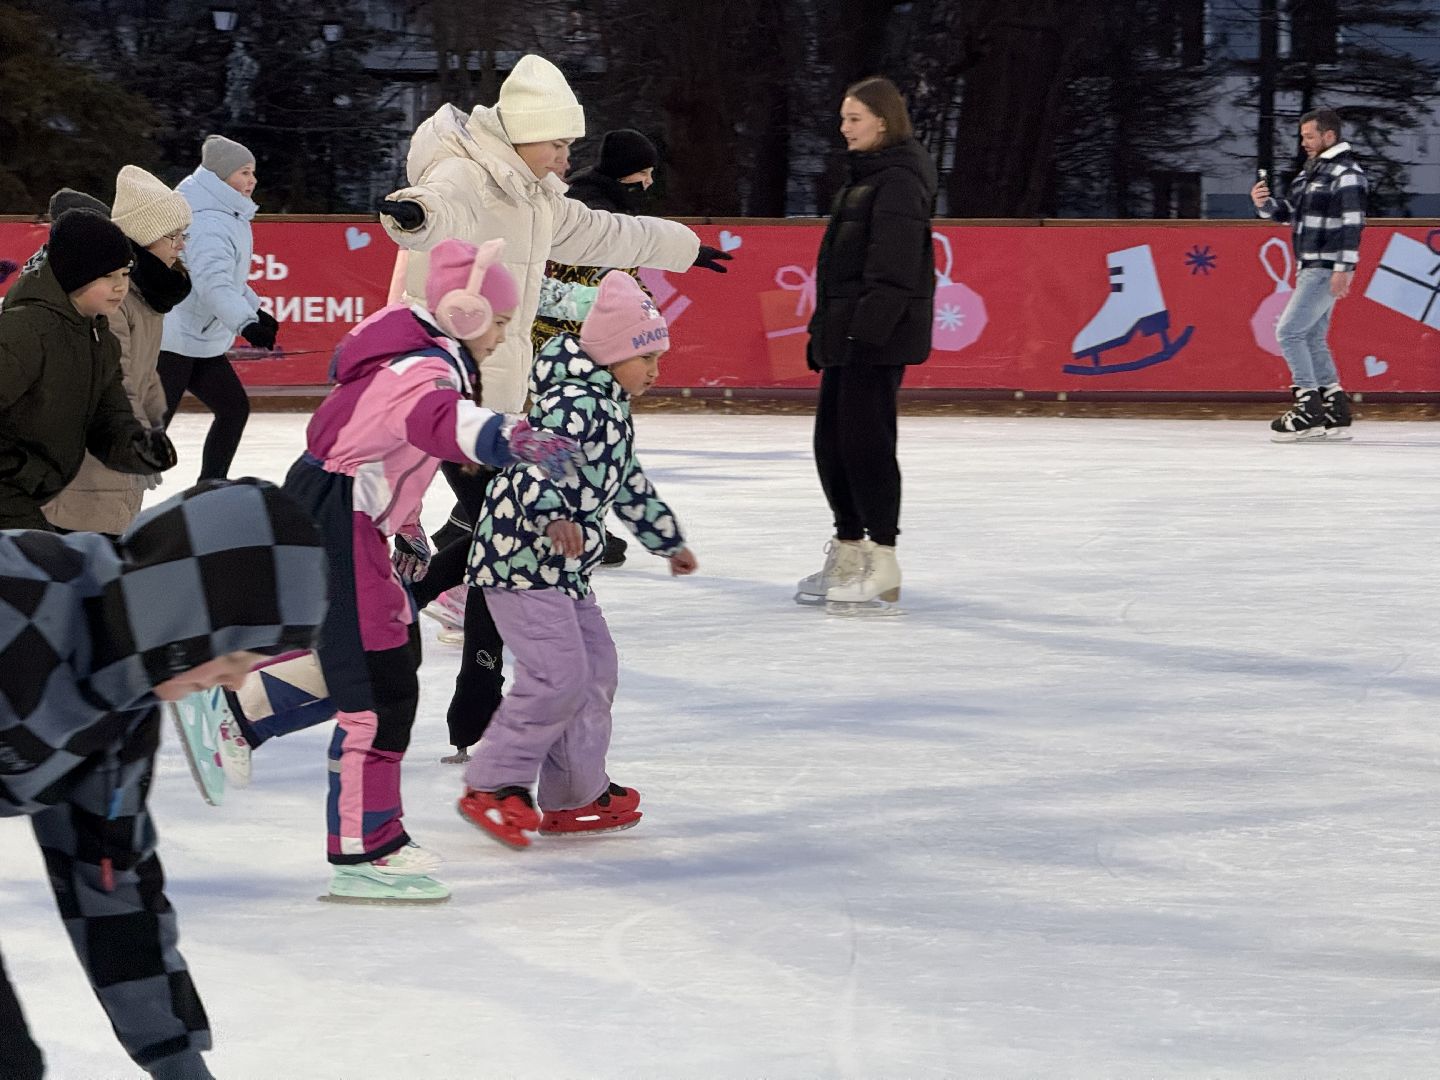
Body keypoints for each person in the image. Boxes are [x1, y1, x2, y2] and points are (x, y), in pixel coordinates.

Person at [276, 237, 580, 903]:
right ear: (467, 313)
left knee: (389, 664)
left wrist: (405, 527)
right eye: (500, 322)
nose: (502, 337)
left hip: (350, 518)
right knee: (376, 694)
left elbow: (385, 447)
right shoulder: (425, 372)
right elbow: (439, 424)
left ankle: (248, 718)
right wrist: (519, 437)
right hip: (338, 522)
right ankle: (363, 850)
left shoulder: (416, 353)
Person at [0, 477, 328, 1080]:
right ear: (183, 615)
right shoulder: (17, 595)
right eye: (234, 656)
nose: (234, 683)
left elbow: (109, 884)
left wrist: (176, 1060)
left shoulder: (121, 712)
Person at [457, 271, 698, 850]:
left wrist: (666, 540)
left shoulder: (612, 409)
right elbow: (536, 462)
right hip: (520, 559)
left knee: (596, 672)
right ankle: (492, 784)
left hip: (564, 568)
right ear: (618, 353)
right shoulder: (572, 403)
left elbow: (630, 485)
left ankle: (574, 792)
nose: (656, 371)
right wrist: (553, 516)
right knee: (557, 677)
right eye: (648, 358)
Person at [378, 53, 731, 420]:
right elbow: (441, 204)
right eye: (557, 145)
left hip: (494, 379)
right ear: (524, 134)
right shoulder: (467, 174)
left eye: (568, 147)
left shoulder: (538, 200)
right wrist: (416, 214)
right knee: (424, 472)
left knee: (478, 474)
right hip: (444, 371)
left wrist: (684, 249)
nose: (566, 159)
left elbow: (605, 233)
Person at [797, 77, 936, 616]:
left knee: (866, 445)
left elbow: (894, 272)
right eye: (842, 118)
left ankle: (883, 560)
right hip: (848, 334)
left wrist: (862, 334)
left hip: (874, 340)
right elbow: (840, 270)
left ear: (883, 121)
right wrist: (824, 332)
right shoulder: (865, 179)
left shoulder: (898, 182)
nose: (844, 128)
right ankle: (851, 549)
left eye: (854, 118)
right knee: (832, 443)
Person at [534, 127, 664, 568]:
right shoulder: (593, 210)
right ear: (625, 173)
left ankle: (587, 526)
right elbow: (603, 288)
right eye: (643, 173)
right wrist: (636, 318)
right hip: (571, 346)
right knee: (574, 438)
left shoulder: (604, 205)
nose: (649, 183)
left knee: (584, 439)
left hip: (582, 343)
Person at [0, 209, 178, 530]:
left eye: (124, 274)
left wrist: (138, 449)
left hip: (30, 493)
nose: (120, 287)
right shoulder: (25, 331)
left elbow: (106, 421)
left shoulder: (99, 338)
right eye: (107, 276)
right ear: (75, 274)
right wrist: (16, 472)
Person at [45, 166, 193, 536]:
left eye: (182, 234)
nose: (181, 244)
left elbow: (141, 378)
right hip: (87, 468)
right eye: (172, 235)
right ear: (144, 240)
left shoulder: (147, 296)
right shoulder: (114, 297)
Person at [158, 134, 276, 480]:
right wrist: (246, 323)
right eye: (243, 172)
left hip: (198, 338)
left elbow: (230, 280)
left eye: (253, 172)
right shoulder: (209, 221)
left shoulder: (227, 215)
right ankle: (114, 504)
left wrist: (255, 311)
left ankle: (211, 486)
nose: (251, 180)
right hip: (174, 340)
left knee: (233, 409)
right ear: (220, 176)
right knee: (149, 431)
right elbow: (212, 284)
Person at [1251, 107, 1367, 442]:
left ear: (1329, 136)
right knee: (1312, 336)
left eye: (1309, 136)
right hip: (1309, 266)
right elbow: (1291, 214)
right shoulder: (1311, 173)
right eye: (1302, 136)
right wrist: (1265, 205)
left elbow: (1352, 224)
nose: (1304, 142)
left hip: (1325, 267)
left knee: (1288, 332)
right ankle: (1335, 408)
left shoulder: (1345, 173)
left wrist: (1344, 268)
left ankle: (1308, 407)